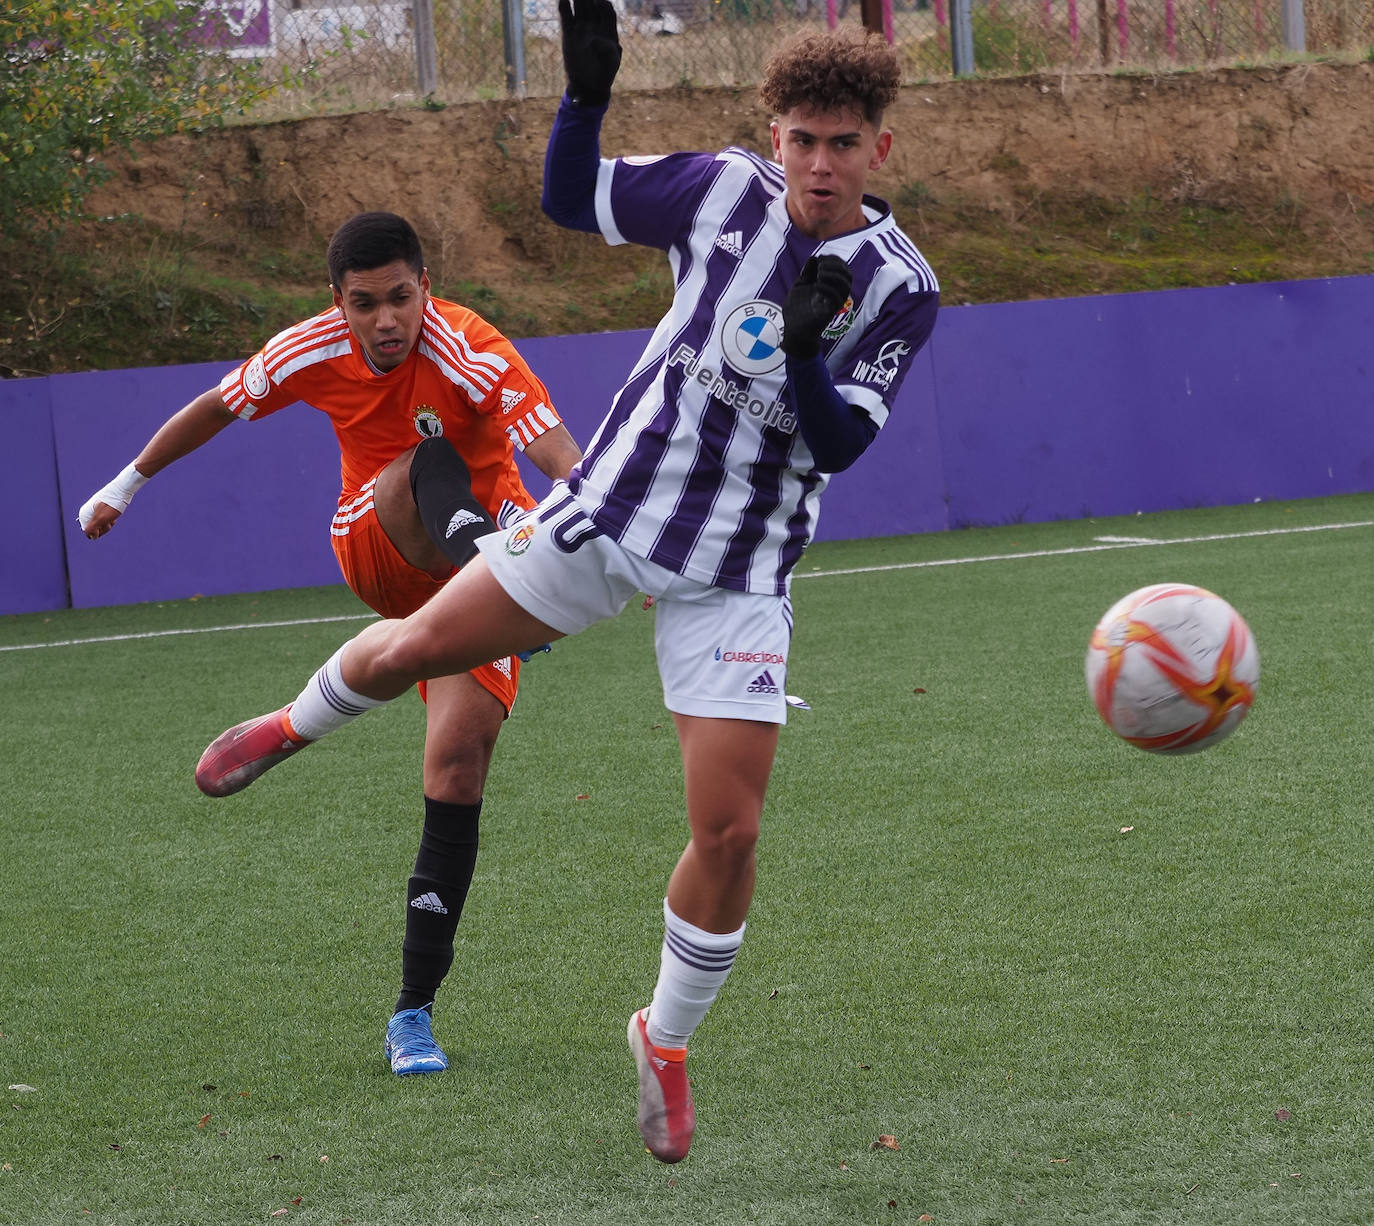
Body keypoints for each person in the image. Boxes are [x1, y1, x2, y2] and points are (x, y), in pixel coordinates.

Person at [194, 7, 938, 1163]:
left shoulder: (898, 285)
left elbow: (840, 443)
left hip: (736, 571)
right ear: (773, 134)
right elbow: (567, 197)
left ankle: (665, 1036)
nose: (821, 164)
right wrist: (585, 97)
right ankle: (289, 724)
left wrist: (799, 348)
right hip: (606, 514)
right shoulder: (717, 191)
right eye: (802, 139)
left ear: (881, 150)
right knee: (407, 652)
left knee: (730, 830)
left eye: (845, 143)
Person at [78, 211, 583, 1078]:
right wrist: (125, 485)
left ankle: (411, 1011)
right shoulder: (310, 349)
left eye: (401, 298)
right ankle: (512, 593)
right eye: (365, 304)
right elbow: (216, 406)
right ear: (338, 304)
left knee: (457, 765)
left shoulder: (470, 343)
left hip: (487, 554)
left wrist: (598, 514)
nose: (387, 320)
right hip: (381, 540)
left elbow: (549, 444)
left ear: (426, 285)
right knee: (421, 469)